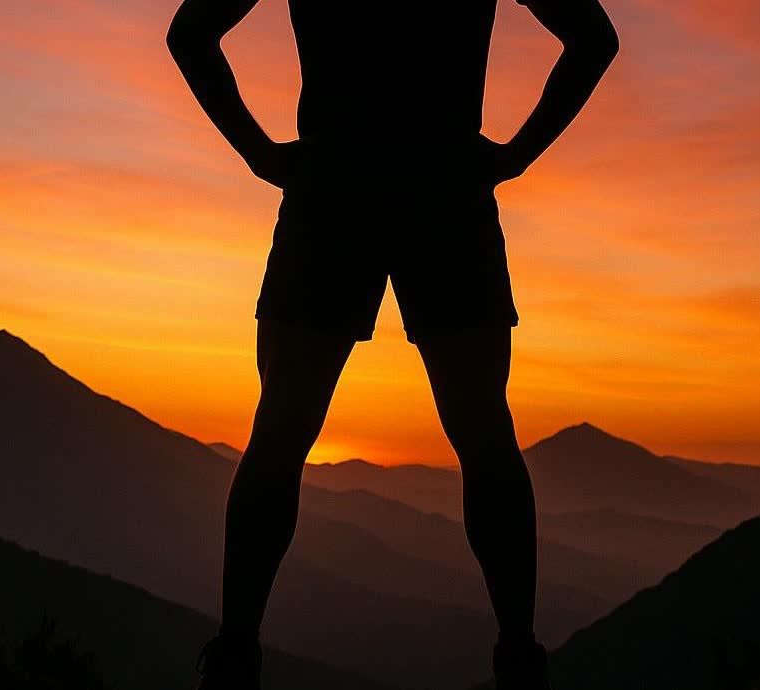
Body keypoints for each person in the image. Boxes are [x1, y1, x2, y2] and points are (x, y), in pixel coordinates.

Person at [166, 0, 617, 687]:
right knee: (483, 431)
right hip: (445, 192)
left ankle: (234, 658)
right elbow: (593, 38)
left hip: (333, 191)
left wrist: (262, 157)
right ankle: (519, 659)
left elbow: (191, 31)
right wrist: (512, 158)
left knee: (282, 429)